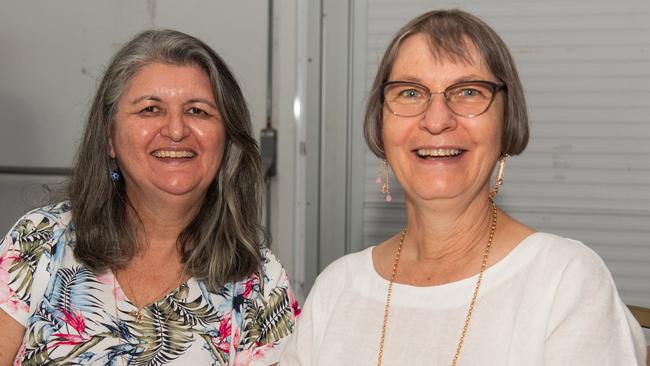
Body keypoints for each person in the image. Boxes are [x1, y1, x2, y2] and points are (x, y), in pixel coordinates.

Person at [280, 9, 646, 365]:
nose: (437, 120)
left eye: (468, 91)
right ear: (380, 126)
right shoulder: (338, 286)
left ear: (508, 121)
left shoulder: (564, 281)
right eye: (410, 93)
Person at [0, 29, 299, 365]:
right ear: (109, 138)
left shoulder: (260, 283)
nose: (175, 130)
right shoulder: (39, 240)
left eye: (198, 111)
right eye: (151, 109)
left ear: (227, 139)